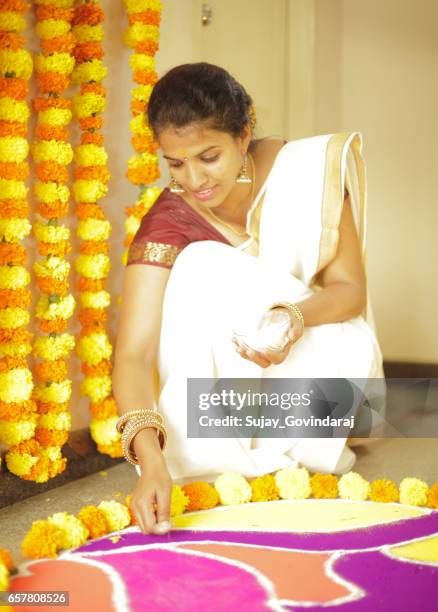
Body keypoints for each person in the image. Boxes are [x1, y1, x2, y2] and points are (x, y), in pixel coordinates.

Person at [112, 63, 384, 536]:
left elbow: (349, 292)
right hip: (227, 406)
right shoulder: (170, 219)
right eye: (175, 163)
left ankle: (289, 451)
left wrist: (292, 316)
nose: (194, 179)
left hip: (315, 362)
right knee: (198, 263)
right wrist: (150, 458)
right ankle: (231, 456)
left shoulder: (306, 171)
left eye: (208, 156)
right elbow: (134, 352)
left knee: (348, 343)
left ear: (244, 133)